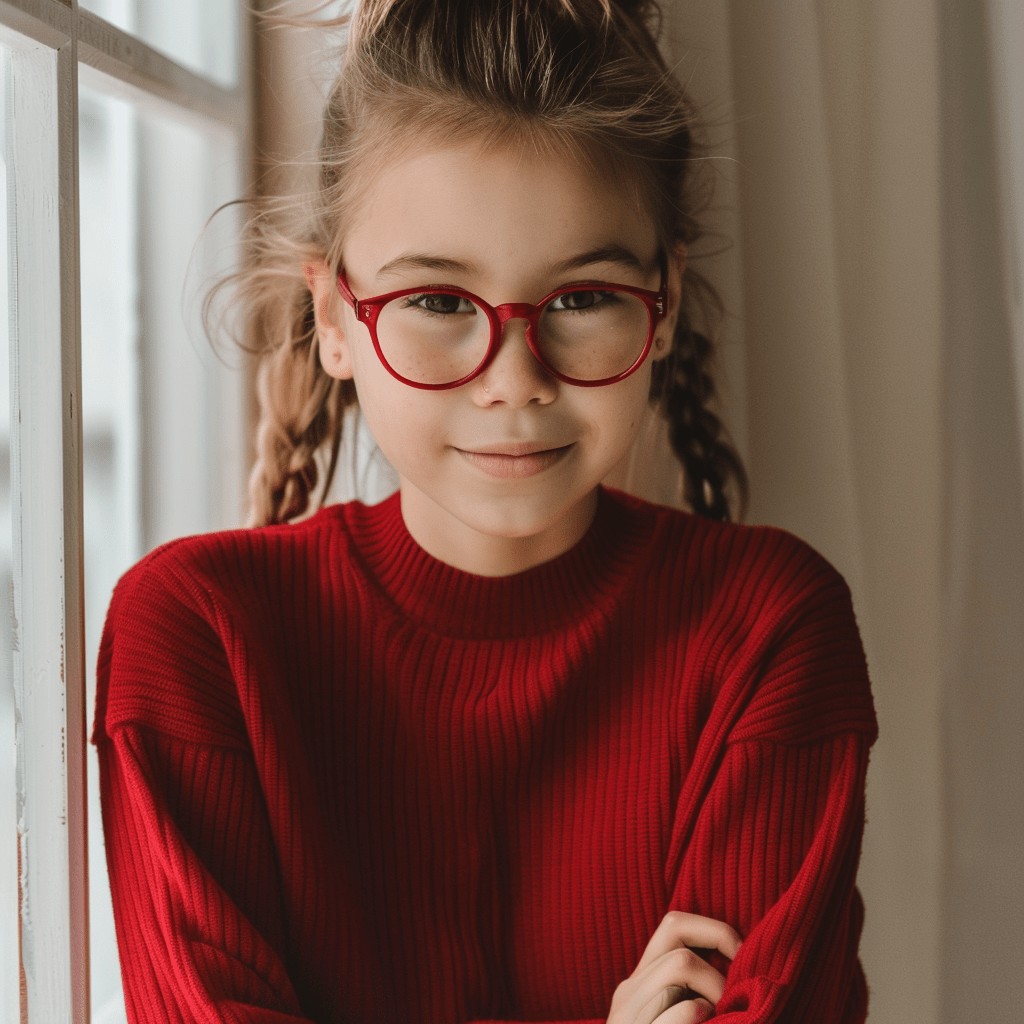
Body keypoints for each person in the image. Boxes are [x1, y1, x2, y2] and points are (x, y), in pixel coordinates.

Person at [92, 1, 878, 1022]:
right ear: (333, 317)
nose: (513, 381)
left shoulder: (772, 626)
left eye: (582, 297)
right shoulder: (196, 635)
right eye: (439, 302)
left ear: (665, 300)